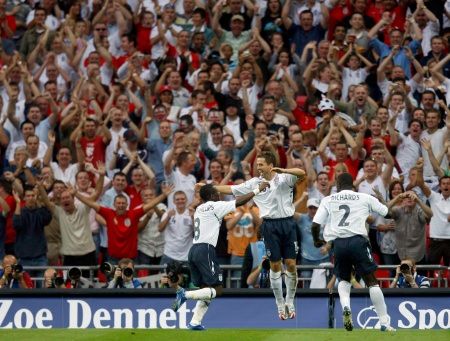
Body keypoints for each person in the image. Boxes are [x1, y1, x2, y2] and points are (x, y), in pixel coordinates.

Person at [209, 151, 305, 320]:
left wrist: (283, 170)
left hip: (288, 224)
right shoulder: (255, 182)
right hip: (269, 225)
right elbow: (232, 189)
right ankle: (280, 305)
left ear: (270, 165)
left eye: (260, 164)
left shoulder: (284, 178)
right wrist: (209, 187)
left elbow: (302, 173)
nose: (257, 167)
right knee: (275, 266)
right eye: (257, 164)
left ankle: (290, 301)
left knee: (290, 264)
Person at [172, 182, 269, 330]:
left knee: (206, 289)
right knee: (217, 289)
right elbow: (239, 201)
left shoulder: (199, 209)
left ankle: (194, 322)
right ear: (211, 195)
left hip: (194, 250)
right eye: (216, 192)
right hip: (206, 250)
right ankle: (185, 294)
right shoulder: (215, 206)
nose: (219, 195)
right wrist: (257, 190)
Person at [311, 173, 395, 332]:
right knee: (371, 281)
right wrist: (381, 201)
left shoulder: (328, 199)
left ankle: (346, 308)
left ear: (337, 183)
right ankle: (384, 322)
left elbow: (315, 225)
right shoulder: (364, 197)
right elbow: (387, 214)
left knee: (344, 279)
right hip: (358, 241)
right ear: (353, 185)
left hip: (339, 243)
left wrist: (317, 240)